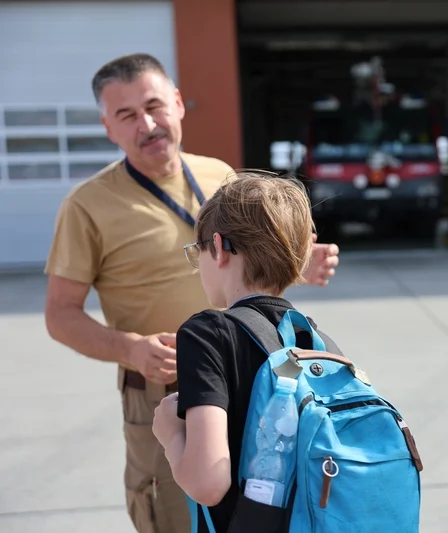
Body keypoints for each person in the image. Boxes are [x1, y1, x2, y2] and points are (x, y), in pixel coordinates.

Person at [43, 53, 340, 533]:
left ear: (178, 104)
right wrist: (131, 349)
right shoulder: (86, 206)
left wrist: (295, 262)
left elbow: (248, 263)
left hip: (256, 378)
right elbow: (60, 315)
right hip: (166, 393)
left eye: (155, 106)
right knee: (176, 516)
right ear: (107, 128)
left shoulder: (220, 175)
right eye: (126, 115)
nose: (147, 124)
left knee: (261, 512)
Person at [151, 172, 342, 533]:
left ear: (219, 248)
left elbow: (208, 483)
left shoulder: (206, 335)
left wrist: (171, 434)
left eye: (198, 252)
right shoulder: (318, 342)